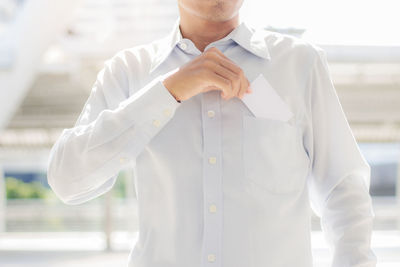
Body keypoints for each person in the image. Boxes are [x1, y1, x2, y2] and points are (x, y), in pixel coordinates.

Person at [47, 0, 377, 266]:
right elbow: (68, 180)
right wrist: (168, 91)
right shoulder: (128, 71)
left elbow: (343, 193)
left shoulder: (300, 64)